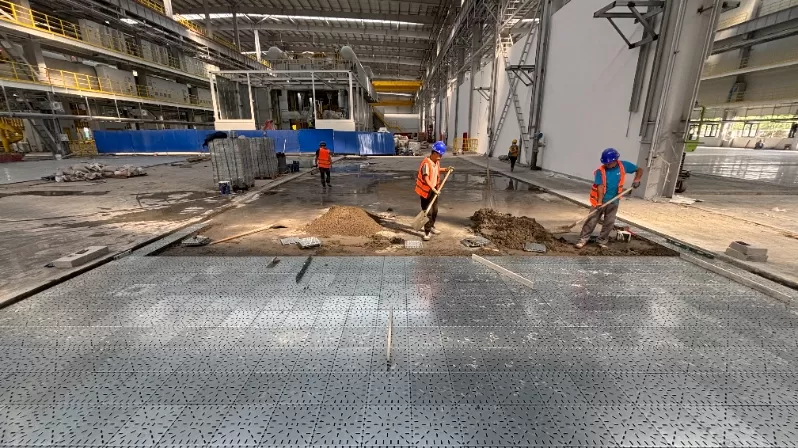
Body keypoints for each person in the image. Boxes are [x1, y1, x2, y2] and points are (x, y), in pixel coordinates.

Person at [575, 148, 644, 249]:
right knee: (592, 220)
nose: (607, 165)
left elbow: (639, 169)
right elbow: (600, 187)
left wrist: (637, 179)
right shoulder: (600, 171)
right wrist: (599, 202)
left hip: (614, 200)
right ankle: (583, 239)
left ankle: (602, 240)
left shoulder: (623, 166)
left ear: (615, 160)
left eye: (609, 163)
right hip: (599, 201)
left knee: (609, 222)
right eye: (605, 163)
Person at [415, 141, 452, 241]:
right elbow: (426, 178)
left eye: (441, 155)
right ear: (434, 153)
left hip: (434, 190)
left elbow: (437, 169)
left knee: (435, 210)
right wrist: (433, 189)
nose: (440, 157)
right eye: (439, 155)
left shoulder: (436, 161)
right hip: (425, 191)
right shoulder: (426, 163)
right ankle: (427, 232)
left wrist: (446, 169)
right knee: (428, 212)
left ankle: (432, 226)